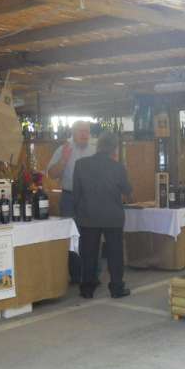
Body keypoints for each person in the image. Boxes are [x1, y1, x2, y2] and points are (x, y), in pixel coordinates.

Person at [73, 132, 132, 299]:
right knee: (115, 253)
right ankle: (116, 288)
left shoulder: (80, 164)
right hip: (112, 216)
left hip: (88, 215)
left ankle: (87, 289)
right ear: (114, 148)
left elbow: (76, 194)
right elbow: (127, 191)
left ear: (98, 146)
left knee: (88, 253)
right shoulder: (118, 167)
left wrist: (80, 212)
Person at [47, 120, 96, 282]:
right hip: (70, 198)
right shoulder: (64, 149)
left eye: (87, 131)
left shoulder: (95, 150)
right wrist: (63, 160)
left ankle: (92, 275)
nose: (84, 134)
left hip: (91, 198)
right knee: (72, 236)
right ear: (73, 133)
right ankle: (76, 275)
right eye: (81, 131)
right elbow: (51, 174)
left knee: (92, 235)